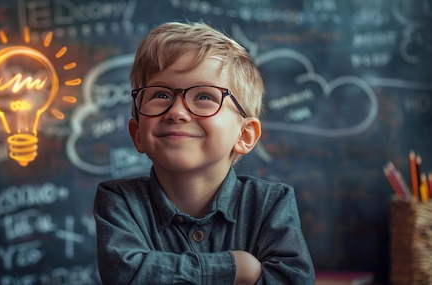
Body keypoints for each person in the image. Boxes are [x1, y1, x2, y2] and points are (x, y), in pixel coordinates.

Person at [93, 21, 315, 284]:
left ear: (244, 136)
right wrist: (235, 268)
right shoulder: (120, 200)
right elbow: (126, 274)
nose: (176, 112)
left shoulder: (270, 203)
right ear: (137, 134)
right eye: (161, 95)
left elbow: (293, 279)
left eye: (204, 97)